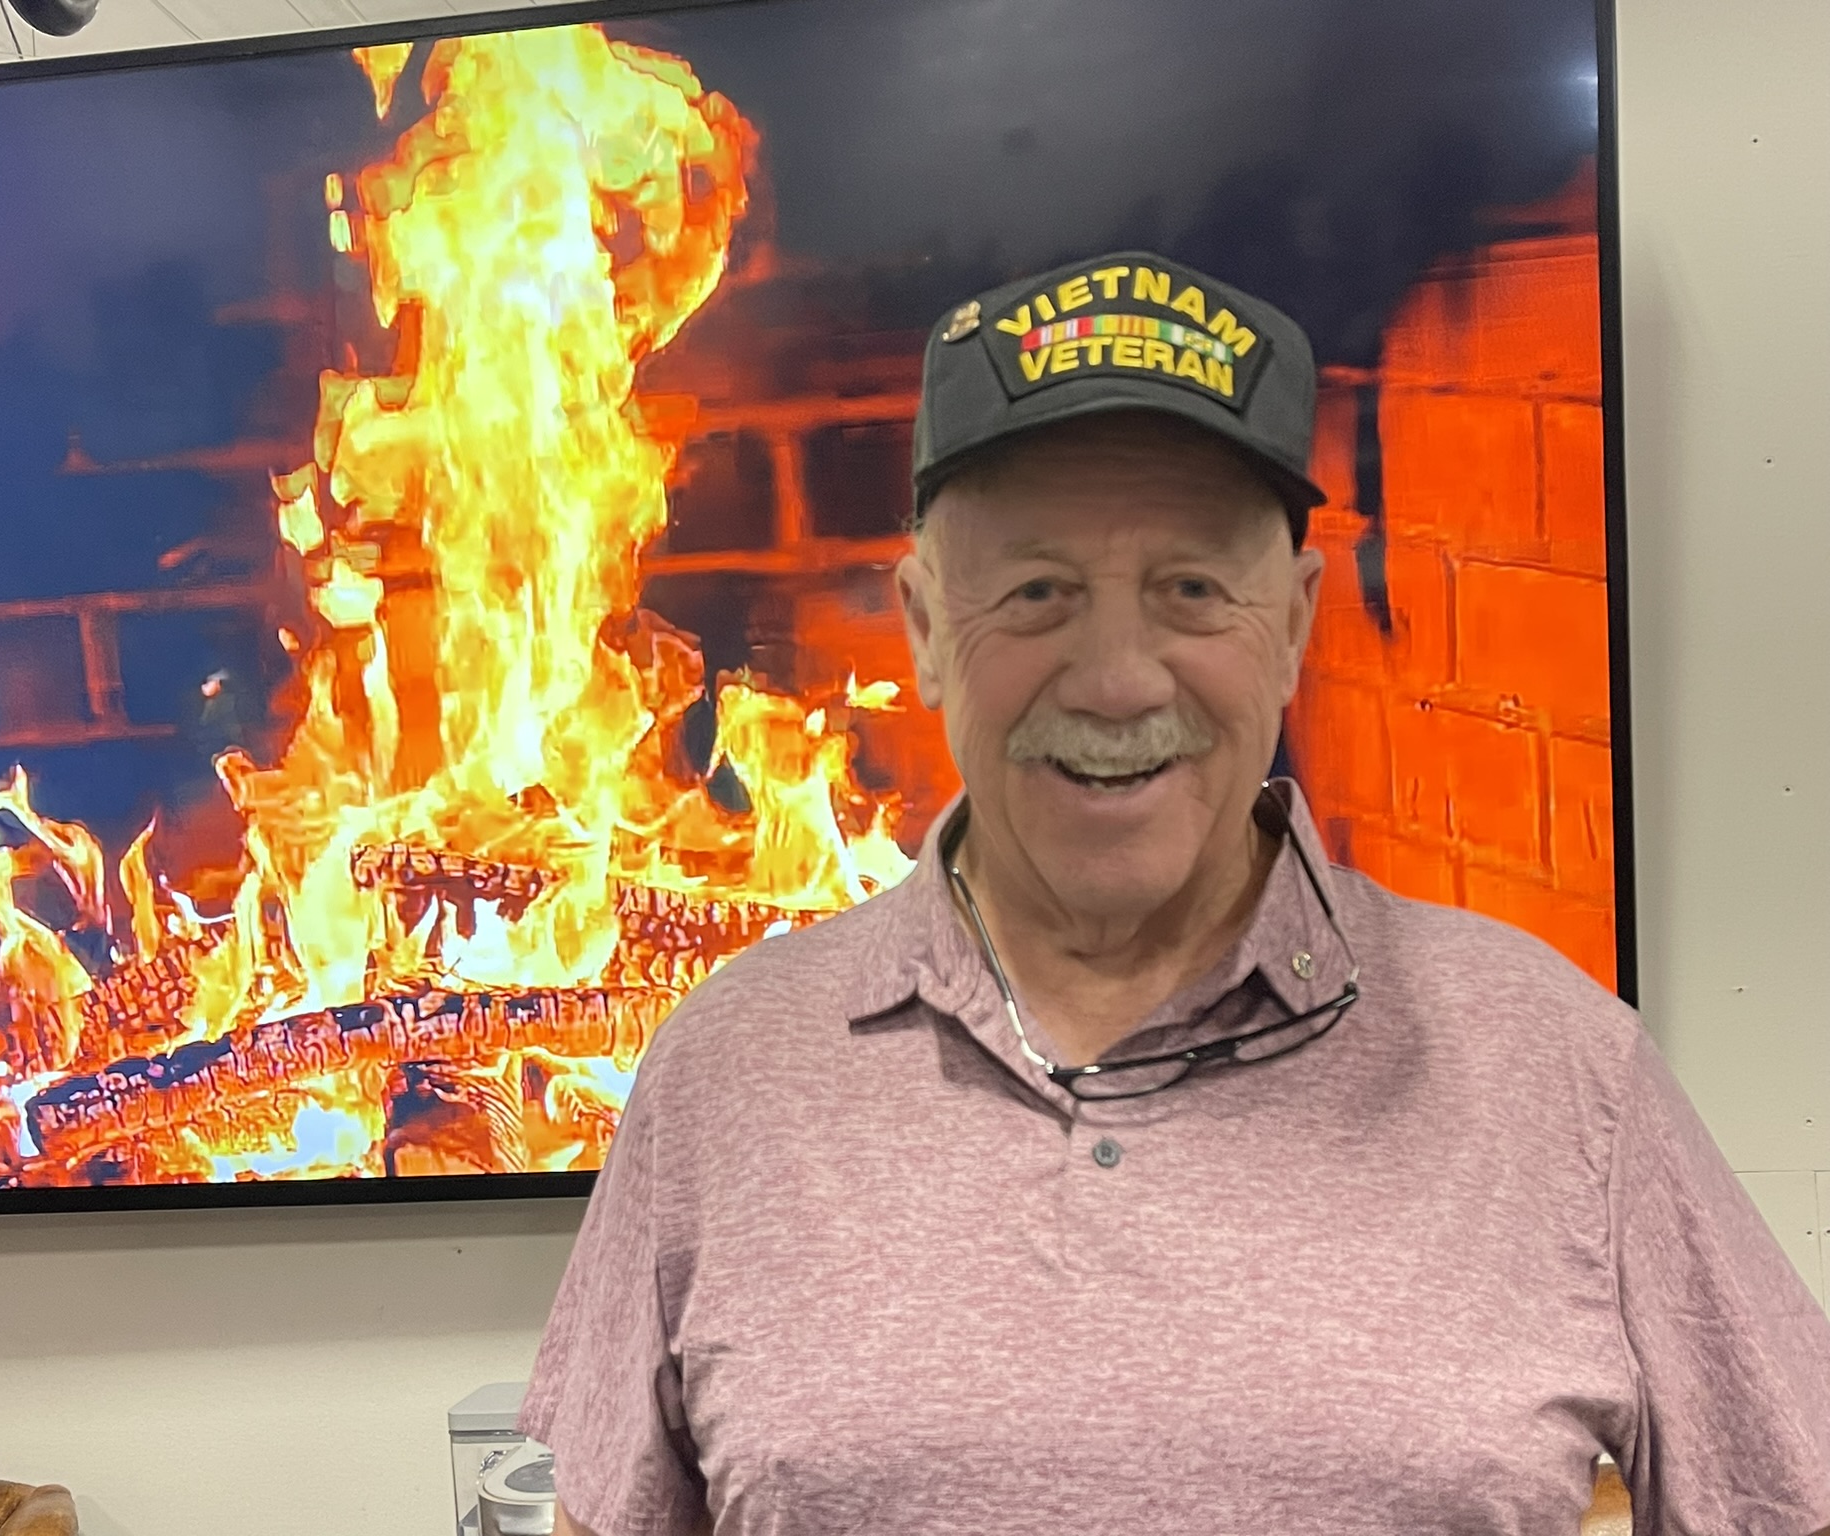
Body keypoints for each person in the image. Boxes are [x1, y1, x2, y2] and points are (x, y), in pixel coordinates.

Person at [520, 251, 1830, 1536]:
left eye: (1190, 591)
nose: (1118, 679)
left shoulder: (1557, 1067)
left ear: (1299, 620)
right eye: (1039, 592)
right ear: (923, 626)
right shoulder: (725, 1077)